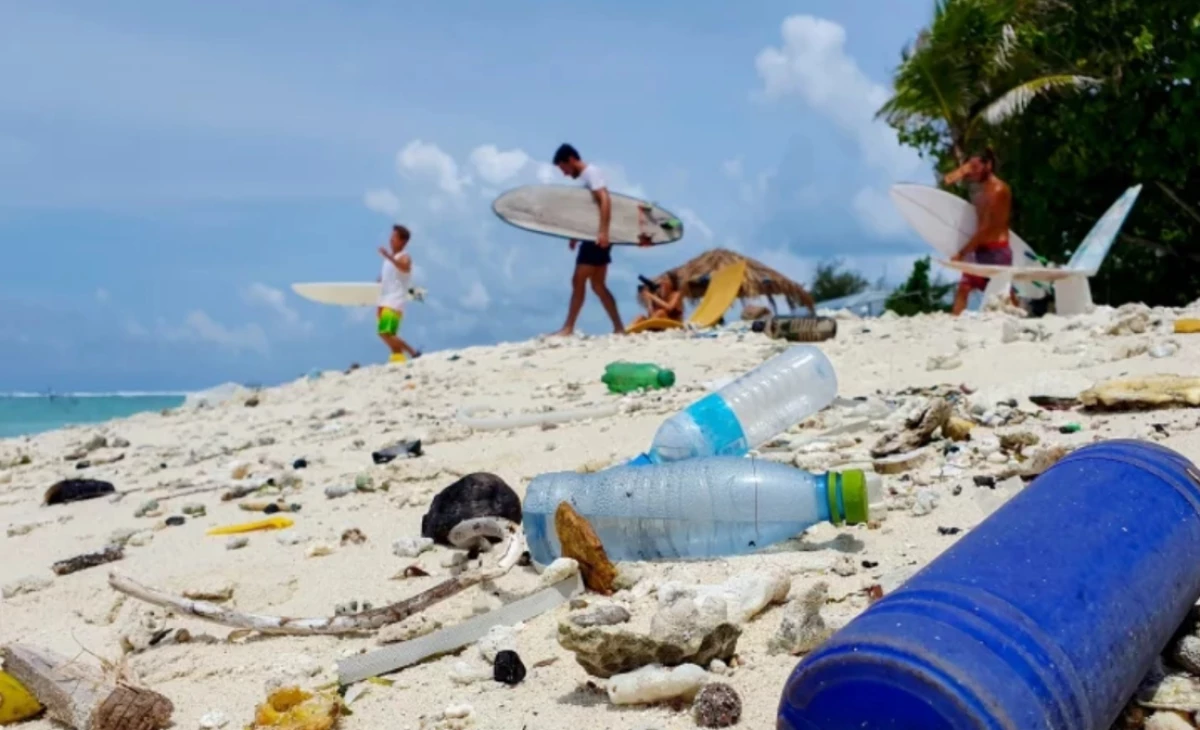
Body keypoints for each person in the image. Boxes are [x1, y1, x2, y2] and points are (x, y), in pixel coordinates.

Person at [550, 143, 625, 336]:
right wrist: (576, 234)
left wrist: (604, 232)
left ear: (571, 160)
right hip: (592, 235)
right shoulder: (586, 177)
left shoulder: (592, 173)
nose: (565, 174)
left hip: (597, 237)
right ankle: (618, 328)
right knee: (598, 285)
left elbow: (605, 199)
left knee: (578, 280)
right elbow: (589, 210)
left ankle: (568, 327)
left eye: (564, 168)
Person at [943, 147, 1017, 315]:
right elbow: (947, 181)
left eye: (976, 167)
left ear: (988, 165)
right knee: (964, 287)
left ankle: (1020, 320)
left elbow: (986, 229)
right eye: (971, 168)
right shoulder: (979, 189)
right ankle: (953, 325)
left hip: (997, 251)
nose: (972, 172)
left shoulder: (997, 190)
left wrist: (962, 253)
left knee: (1004, 292)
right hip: (979, 249)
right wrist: (962, 171)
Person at [376, 224, 421, 363]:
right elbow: (390, 276)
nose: (390, 240)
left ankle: (413, 352)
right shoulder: (390, 259)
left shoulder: (404, 256)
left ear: (403, 241)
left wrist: (388, 257)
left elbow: (405, 268)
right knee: (388, 334)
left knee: (384, 332)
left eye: (394, 238)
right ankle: (398, 359)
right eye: (391, 237)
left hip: (394, 301)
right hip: (384, 300)